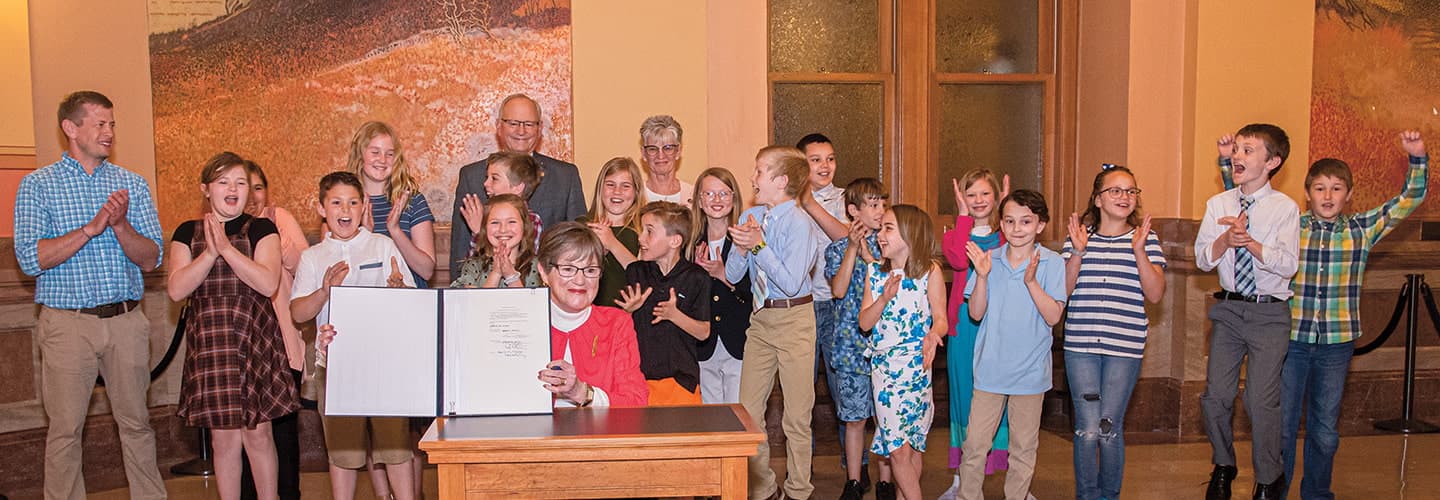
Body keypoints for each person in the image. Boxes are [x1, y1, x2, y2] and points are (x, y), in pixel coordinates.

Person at [13, 90, 167, 500]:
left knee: (137, 424)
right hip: (68, 324)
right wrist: (91, 228)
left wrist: (119, 226)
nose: (109, 132)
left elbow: (152, 258)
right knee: (65, 430)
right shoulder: (38, 185)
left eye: (112, 124)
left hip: (126, 321)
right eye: (99, 123)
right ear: (70, 128)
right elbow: (31, 259)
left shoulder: (131, 184)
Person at [1274, 133, 1426, 499]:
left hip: (1336, 344)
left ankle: (1317, 493)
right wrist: (1228, 166)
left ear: (1349, 195)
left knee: (1325, 431)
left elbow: (1408, 201)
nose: (1328, 197)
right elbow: (1245, 208)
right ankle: (1273, 493)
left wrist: (1417, 160)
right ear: (1307, 194)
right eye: (1321, 188)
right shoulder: (1290, 226)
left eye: (1337, 189)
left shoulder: (1361, 230)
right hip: (1291, 341)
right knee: (1281, 427)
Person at [166, 152, 299, 500]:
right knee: (222, 439)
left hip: (254, 341)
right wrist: (209, 253)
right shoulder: (186, 233)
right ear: (206, 189)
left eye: (240, 182)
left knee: (258, 435)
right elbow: (177, 287)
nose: (233, 189)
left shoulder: (260, 228)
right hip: (212, 346)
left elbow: (268, 282)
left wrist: (225, 247)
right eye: (224, 182)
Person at [291, 172, 418, 500]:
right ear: (322, 208)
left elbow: (412, 303)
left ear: (363, 208)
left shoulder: (382, 245)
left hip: (384, 365)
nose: (344, 209)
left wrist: (399, 288)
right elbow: (299, 313)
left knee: (395, 448)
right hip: (335, 368)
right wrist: (324, 291)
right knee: (344, 454)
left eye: (352, 202)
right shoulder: (313, 257)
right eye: (336, 202)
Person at [1195, 124, 1300, 500]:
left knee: (1259, 400)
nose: (1238, 156)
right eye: (1237, 149)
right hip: (1229, 310)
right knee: (1216, 397)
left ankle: (1269, 478)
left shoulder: (1285, 209)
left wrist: (1251, 243)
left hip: (1270, 314)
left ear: (1272, 162)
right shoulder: (1218, 204)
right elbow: (1203, 259)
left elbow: (1288, 265)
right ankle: (1224, 464)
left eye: (1249, 150)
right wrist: (1225, 239)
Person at [1061, 165, 1167, 500]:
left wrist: (1138, 251)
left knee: (1108, 428)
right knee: (1087, 430)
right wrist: (1077, 252)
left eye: (1131, 191)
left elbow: (1155, 294)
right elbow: (1062, 291)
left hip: (1125, 347)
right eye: (1116, 190)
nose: (1125, 197)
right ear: (1097, 198)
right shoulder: (1078, 239)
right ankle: (1086, 495)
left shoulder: (1146, 240)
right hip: (1081, 346)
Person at [725, 146, 820, 500]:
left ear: (781, 181)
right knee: (748, 412)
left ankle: (798, 491)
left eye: (759, 171)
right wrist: (740, 247)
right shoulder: (752, 215)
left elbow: (792, 281)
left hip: (795, 318)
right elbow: (734, 276)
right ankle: (764, 488)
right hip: (761, 318)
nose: (753, 178)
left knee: (796, 416)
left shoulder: (801, 224)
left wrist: (759, 245)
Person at [959, 189, 1066, 500]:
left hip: (1031, 374)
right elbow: (976, 313)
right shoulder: (987, 260)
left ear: (1041, 225)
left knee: (1023, 448)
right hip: (990, 368)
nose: (1017, 229)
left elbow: (1053, 315)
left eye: (1026, 221)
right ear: (1001, 225)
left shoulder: (1052, 263)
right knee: (975, 445)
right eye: (1010, 221)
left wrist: (1031, 281)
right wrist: (981, 276)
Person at [857, 204, 947, 500]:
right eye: (881, 228)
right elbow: (865, 322)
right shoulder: (874, 273)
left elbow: (941, 318)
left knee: (912, 446)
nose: (880, 235)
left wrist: (935, 334)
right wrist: (883, 298)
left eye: (888, 228)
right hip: (885, 371)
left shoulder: (929, 271)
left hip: (918, 368)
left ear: (910, 234)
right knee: (896, 450)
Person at [452, 93, 586, 279]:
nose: (521, 131)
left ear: (539, 129)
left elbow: (578, 241)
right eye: (513, 123)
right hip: (483, 289)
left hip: (547, 290)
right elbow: (460, 247)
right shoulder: (472, 176)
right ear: (499, 126)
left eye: (529, 124)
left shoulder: (565, 176)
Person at [239, 160, 310, 500]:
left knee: (282, 432)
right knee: (243, 432)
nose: (251, 195)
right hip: (240, 343)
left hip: (280, 341)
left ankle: (287, 493)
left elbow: (304, 265)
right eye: (243, 186)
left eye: (258, 187)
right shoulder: (225, 226)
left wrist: (269, 232)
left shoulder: (279, 219)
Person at [938, 170, 1010, 499]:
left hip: (1001, 327)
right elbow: (955, 258)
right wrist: (963, 217)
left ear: (996, 198)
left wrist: (1010, 210)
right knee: (963, 399)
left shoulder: (1006, 236)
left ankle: (1009, 477)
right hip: (963, 327)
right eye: (971, 195)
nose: (979, 201)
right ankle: (961, 478)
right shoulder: (956, 235)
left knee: (1000, 400)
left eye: (985, 194)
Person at [824, 178, 895, 500]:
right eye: (873, 204)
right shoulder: (837, 249)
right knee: (855, 418)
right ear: (853, 210)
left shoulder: (892, 245)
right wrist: (853, 247)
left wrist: (870, 255)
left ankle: (886, 480)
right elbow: (837, 290)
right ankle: (854, 480)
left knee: (885, 418)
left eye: (882, 203)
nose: (880, 211)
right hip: (851, 347)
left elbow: (887, 284)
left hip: (885, 345)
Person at [532, 222, 651, 407]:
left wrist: (583, 393)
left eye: (590, 270)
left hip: (598, 435)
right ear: (544, 272)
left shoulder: (617, 324)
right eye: (568, 269)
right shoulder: (524, 322)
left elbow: (636, 402)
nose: (580, 280)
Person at [615, 202, 711, 405]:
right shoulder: (636, 272)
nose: (641, 238)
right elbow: (618, 330)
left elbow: (704, 332)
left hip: (680, 382)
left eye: (649, 232)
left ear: (675, 240)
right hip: (638, 381)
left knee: (682, 436)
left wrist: (675, 315)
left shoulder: (697, 277)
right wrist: (628, 312)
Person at [690, 168, 753, 404]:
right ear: (699, 200)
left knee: (739, 412)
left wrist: (723, 275)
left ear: (734, 198)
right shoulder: (690, 241)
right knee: (710, 414)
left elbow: (753, 293)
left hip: (737, 340)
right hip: (703, 345)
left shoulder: (744, 238)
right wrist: (694, 273)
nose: (717, 200)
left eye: (724, 194)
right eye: (710, 194)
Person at [347, 121, 436, 288]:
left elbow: (426, 271)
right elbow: (334, 267)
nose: (382, 160)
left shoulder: (413, 201)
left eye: (389, 154)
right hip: (363, 300)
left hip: (409, 299)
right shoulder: (345, 204)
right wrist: (366, 234)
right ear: (359, 155)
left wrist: (394, 230)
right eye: (375, 152)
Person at [582, 157, 645, 306]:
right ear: (600, 188)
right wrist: (598, 252)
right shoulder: (582, 225)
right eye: (610, 185)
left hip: (628, 316)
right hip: (590, 313)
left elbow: (645, 277)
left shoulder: (643, 229)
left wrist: (612, 243)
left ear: (636, 191)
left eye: (626, 186)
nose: (617, 192)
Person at [451, 194, 542, 289]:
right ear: (484, 228)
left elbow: (530, 303)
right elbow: (478, 303)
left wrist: (511, 276)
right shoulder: (473, 266)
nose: (503, 230)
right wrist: (496, 273)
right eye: (495, 222)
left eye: (511, 222)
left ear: (525, 227)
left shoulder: (538, 266)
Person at [638, 115, 694, 204]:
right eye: (652, 149)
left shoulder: (693, 195)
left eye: (667, 148)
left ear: (678, 151)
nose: (660, 156)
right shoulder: (634, 196)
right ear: (643, 153)